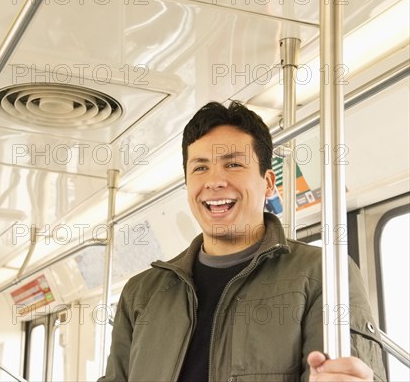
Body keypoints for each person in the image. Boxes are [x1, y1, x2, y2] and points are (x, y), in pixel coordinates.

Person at [99, 101, 386, 381]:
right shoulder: (140, 293)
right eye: (200, 168)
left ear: (269, 182)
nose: (214, 181)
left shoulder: (323, 275)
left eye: (233, 164)